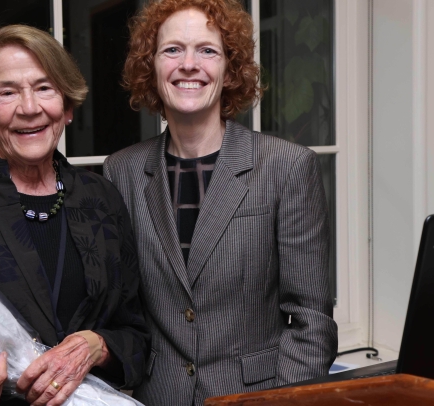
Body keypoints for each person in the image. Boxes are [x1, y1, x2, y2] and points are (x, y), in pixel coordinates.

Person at [103, 0, 338, 404]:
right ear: (151, 65)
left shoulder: (286, 167)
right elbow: (121, 311)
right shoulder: (121, 171)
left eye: (207, 50)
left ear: (231, 68)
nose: (189, 64)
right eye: (172, 49)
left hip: (256, 398)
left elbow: (311, 321)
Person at [0, 25, 148, 406]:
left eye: (44, 87)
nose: (30, 107)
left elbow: (137, 334)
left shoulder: (101, 198)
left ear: (66, 107)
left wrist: (97, 345)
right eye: (7, 92)